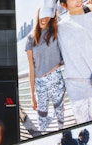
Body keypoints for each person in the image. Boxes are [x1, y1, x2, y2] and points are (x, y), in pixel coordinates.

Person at [57, 0, 92, 123]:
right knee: (82, 122)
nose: (78, 0)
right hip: (76, 85)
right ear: (63, 5)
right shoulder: (60, 27)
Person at [25, 0, 65, 132]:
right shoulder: (30, 39)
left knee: (60, 116)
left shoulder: (55, 30)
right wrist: (32, 95)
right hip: (40, 84)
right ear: (38, 15)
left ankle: (62, 136)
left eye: (48, 16)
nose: (45, 19)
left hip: (56, 78)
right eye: (43, 15)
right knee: (42, 121)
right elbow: (31, 67)